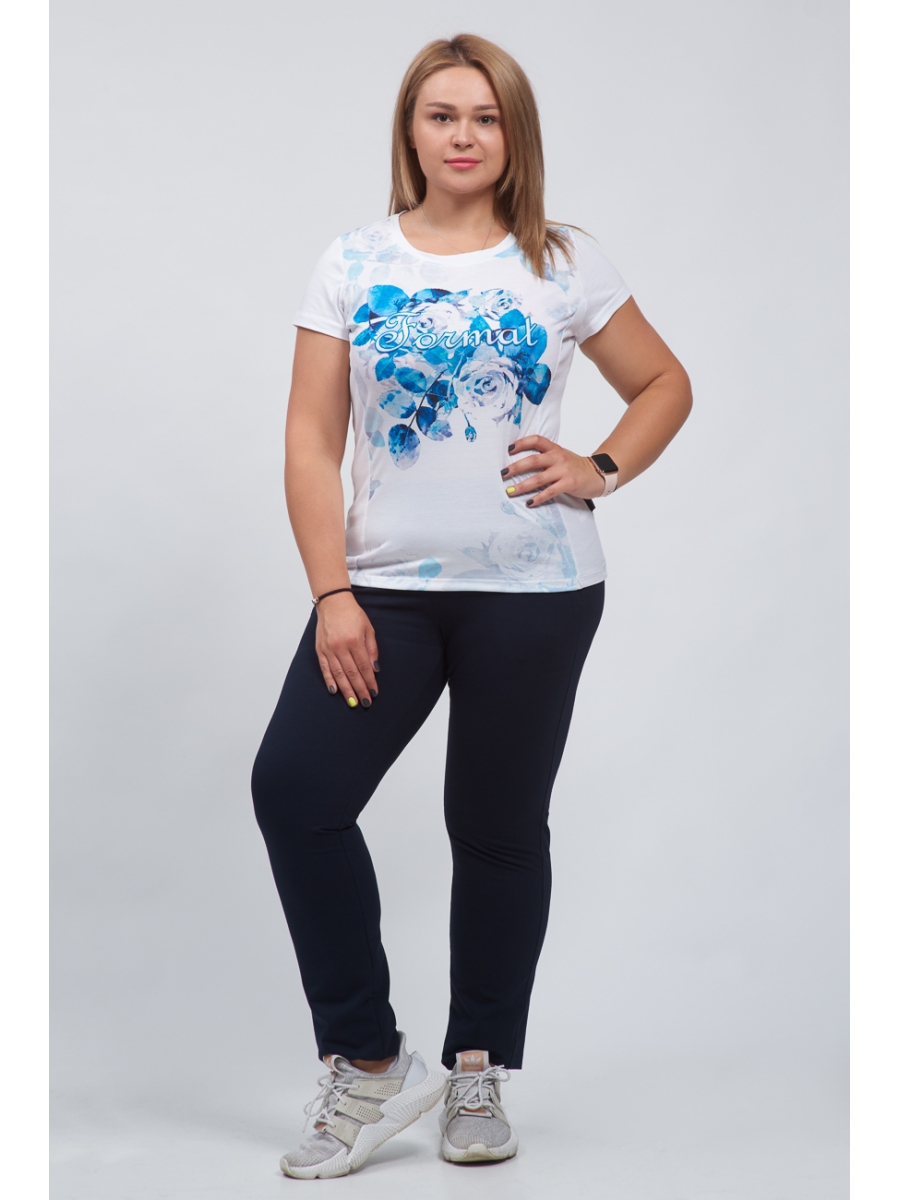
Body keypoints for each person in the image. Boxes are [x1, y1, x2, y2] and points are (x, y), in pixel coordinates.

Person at [251, 32, 692, 1180]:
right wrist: (333, 592)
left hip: (538, 592)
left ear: (513, 134)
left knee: (495, 829)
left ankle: (478, 1066)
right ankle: (367, 1061)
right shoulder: (353, 261)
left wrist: (599, 466)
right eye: (442, 114)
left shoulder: (561, 260)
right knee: (296, 791)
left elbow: (663, 383)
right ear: (410, 130)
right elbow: (309, 439)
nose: (463, 135)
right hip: (383, 594)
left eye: (486, 117)